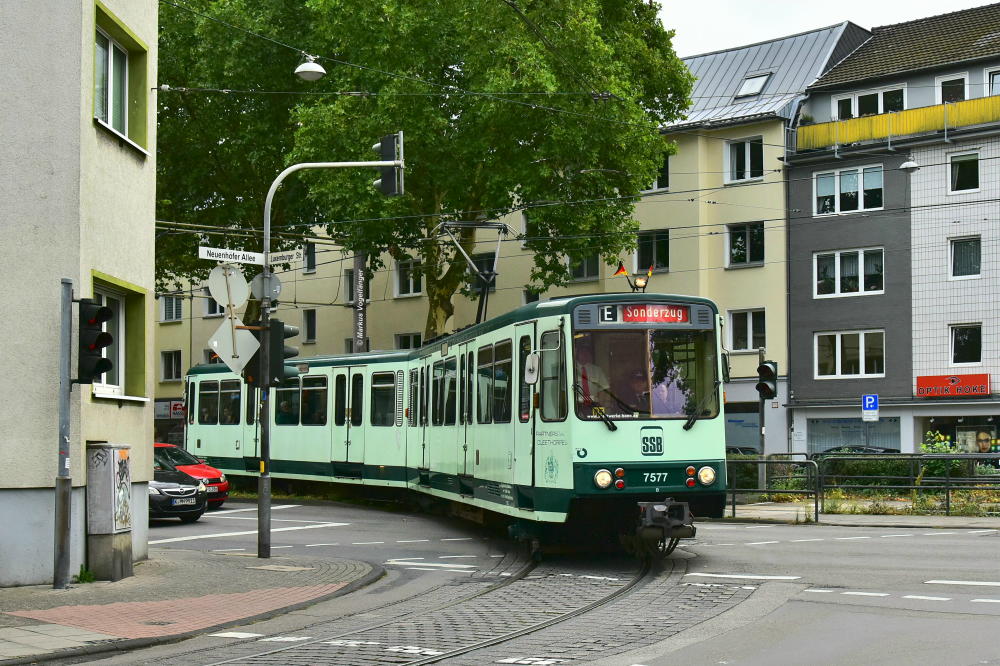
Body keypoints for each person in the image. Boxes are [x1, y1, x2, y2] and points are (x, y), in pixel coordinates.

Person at [574, 344, 610, 410]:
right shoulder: (571, 369)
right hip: (576, 405)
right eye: (582, 352)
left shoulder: (597, 370)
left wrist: (600, 403)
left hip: (594, 404)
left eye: (587, 352)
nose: (585, 354)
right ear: (577, 354)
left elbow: (604, 388)